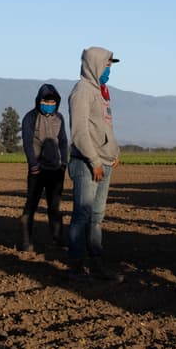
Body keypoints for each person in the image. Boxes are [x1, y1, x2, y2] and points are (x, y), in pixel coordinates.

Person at [67, 47, 123, 283]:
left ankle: (97, 264)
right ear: (95, 64)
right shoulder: (82, 92)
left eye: (110, 66)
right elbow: (79, 132)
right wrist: (95, 161)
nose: (109, 70)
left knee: (97, 216)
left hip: (104, 162)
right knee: (82, 215)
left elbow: (105, 127)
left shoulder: (101, 92)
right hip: (87, 164)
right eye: (107, 65)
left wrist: (114, 151)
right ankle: (75, 268)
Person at [19, 84, 68, 252]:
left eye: (52, 102)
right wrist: (33, 165)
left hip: (56, 170)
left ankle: (58, 239)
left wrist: (64, 163)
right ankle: (26, 241)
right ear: (39, 101)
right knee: (31, 205)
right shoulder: (30, 117)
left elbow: (63, 142)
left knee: (54, 207)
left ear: (57, 102)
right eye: (45, 101)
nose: (49, 104)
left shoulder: (59, 118)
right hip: (37, 171)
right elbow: (27, 143)